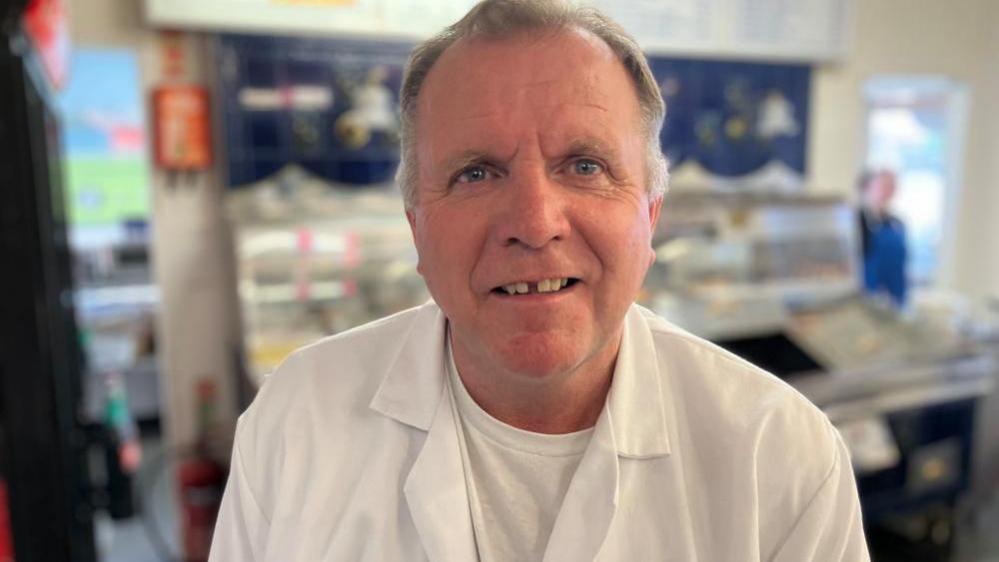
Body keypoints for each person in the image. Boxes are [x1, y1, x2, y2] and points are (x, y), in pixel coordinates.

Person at [209, 1, 870, 560]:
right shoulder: (295, 419)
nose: (533, 222)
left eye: (583, 165)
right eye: (474, 172)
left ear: (650, 216)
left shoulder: (781, 460)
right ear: (417, 228)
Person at [858, 169, 908, 307]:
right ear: (868, 187)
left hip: (896, 298)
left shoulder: (898, 223)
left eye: (891, 186)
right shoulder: (858, 221)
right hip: (867, 296)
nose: (888, 191)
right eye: (883, 186)